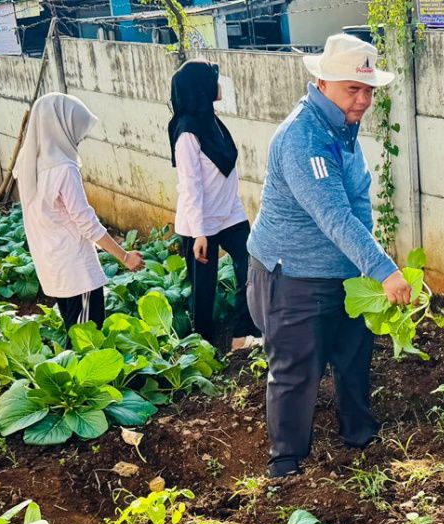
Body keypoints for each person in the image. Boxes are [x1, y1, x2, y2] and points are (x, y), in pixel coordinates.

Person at [247, 33, 413, 478]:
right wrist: (385, 269)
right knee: (295, 370)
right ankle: (286, 465)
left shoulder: (340, 126)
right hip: (293, 274)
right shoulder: (304, 138)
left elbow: (353, 204)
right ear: (322, 82)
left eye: (368, 90)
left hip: (344, 273)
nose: (362, 100)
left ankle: (360, 436)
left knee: (354, 354)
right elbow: (333, 215)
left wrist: (367, 265)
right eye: (352, 89)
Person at [14, 92, 143, 328]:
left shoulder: (27, 164)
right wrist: (125, 257)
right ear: (60, 127)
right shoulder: (63, 168)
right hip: (76, 272)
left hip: (51, 265)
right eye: (76, 130)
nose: (79, 138)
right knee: (87, 342)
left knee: (77, 333)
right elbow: (86, 221)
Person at [169, 59, 259, 350]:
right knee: (203, 290)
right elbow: (190, 187)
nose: (218, 84)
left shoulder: (212, 121)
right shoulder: (186, 134)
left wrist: (237, 210)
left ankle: (243, 334)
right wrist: (198, 234)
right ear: (201, 88)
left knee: (252, 265)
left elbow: (226, 176)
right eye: (213, 79)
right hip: (199, 224)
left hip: (229, 215)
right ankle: (202, 347)